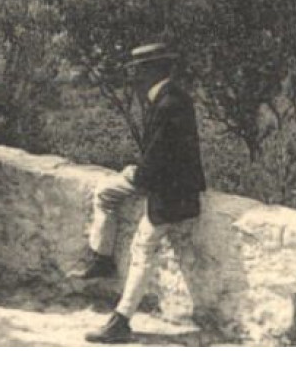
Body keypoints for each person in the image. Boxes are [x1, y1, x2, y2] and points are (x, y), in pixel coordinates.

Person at [79, 42, 207, 344]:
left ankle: (121, 318)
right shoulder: (171, 98)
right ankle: (104, 261)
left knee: (142, 249)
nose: (134, 77)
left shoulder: (166, 104)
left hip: (170, 194)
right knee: (108, 197)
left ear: (150, 71)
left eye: (138, 71)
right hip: (172, 187)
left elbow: (161, 157)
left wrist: (137, 173)